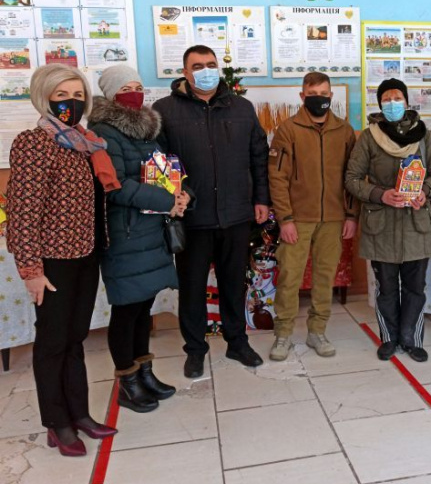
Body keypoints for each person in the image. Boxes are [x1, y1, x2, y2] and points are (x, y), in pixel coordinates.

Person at [6, 64, 119, 456]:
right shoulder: (33, 143)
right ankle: (57, 422)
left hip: (85, 255)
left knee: (75, 339)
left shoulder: (85, 142)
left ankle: (80, 413)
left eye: (77, 95)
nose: (71, 102)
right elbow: (22, 213)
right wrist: (31, 271)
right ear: (44, 97)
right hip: (52, 262)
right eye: (61, 96)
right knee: (53, 342)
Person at [153, 45, 270, 378]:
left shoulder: (243, 108)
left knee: (235, 283)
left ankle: (237, 342)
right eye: (197, 65)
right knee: (191, 288)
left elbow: (258, 156)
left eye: (211, 64)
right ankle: (195, 349)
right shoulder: (165, 110)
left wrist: (261, 198)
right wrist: (176, 197)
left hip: (236, 214)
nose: (205, 70)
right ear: (186, 72)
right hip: (193, 218)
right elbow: (160, 165)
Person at [88, 65, 190, 412]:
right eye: (126, 87)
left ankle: (144, 374)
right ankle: (127, 382)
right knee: (127, 309)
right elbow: (116, 186)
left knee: (143, 305)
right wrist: (166, 201)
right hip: (126, 233)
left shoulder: (146, 130)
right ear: (110, 94)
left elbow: (166, 168)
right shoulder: (103, 132)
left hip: (150, 230)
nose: (135, 92)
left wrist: (182, 193)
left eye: (138, 86)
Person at [345, 78, 431, 362]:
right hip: (382, 225)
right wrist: (380, 194)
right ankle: (389, 338)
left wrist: (425, 192)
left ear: (406, 101)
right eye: (386, 99)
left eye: (397, 98)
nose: (392, 104)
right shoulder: (369, 137)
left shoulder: (422, 137)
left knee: (415, 288)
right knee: (387, 288)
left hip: (416, 224)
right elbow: (352, 180)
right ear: (380, 104)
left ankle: (411, 339)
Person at [267, 72, 358, 361]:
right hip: (298, 219)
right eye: (312, 93)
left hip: (333, 218)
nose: (319, 97)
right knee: (290, 277)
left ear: (331, 96)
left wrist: (351, 215)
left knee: (324, 277)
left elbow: (352, 177)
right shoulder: (288, 129)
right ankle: (283, 335)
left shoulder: (344, 131)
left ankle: (317, 331)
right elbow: (277, 178)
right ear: (302, 96)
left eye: (324, 92)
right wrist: (285, 219)